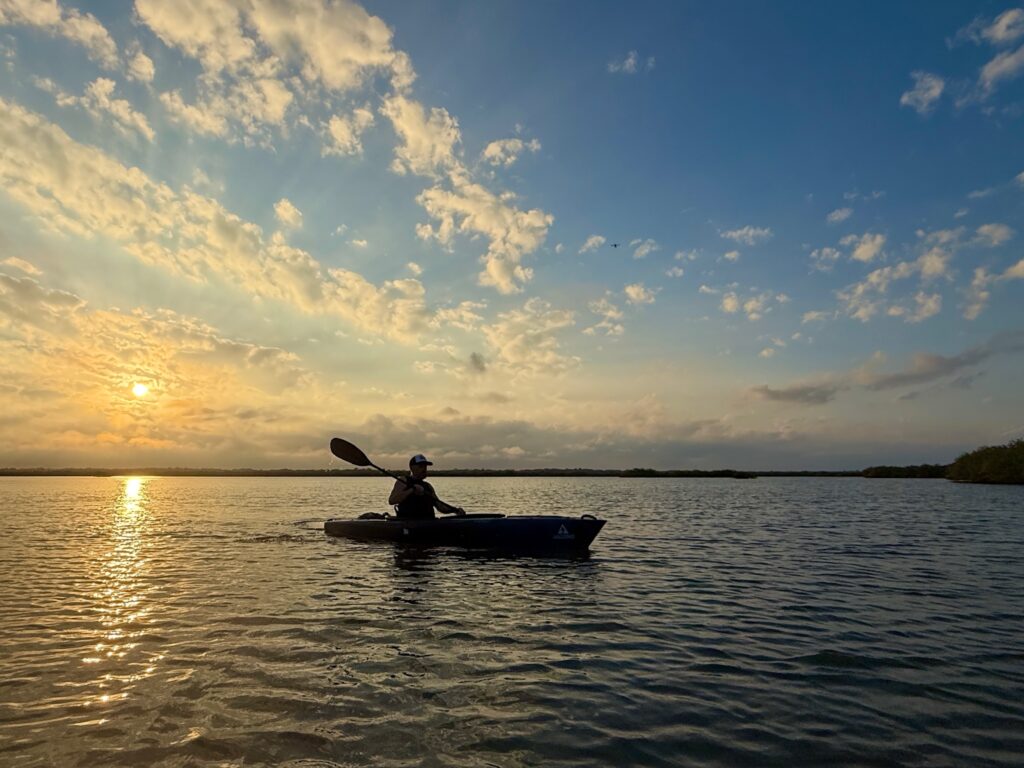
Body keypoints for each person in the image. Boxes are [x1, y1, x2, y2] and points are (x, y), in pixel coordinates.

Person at [388, 454, 465, 519]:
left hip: (428, 522)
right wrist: (411, 490)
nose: (424, 469)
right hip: (409, 523)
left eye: (425, 466)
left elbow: (440, 506)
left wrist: (455, 510)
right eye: (421, 466)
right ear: (412, 467)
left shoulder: (428, 486)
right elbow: (392, 500)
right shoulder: (404, 481)